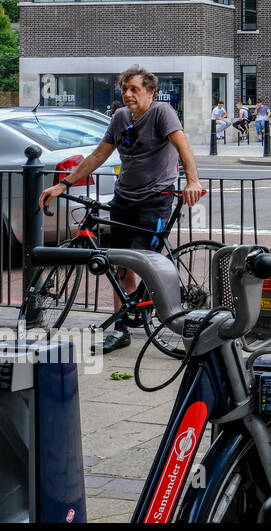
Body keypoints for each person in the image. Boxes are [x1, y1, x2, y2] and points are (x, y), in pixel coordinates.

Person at [38, 65, 204, 353]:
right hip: (123, 198)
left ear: (151, 92)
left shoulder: (161, 113)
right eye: (124, 89)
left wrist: (193, 181)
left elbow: (183, 147)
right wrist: (63, 184)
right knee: (119, 264)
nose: (128, 94)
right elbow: (98, 155)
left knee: (145, 262)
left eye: (134, 89)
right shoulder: (120, 117)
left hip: (155, 199)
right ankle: (121, 326)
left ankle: (170, 318)